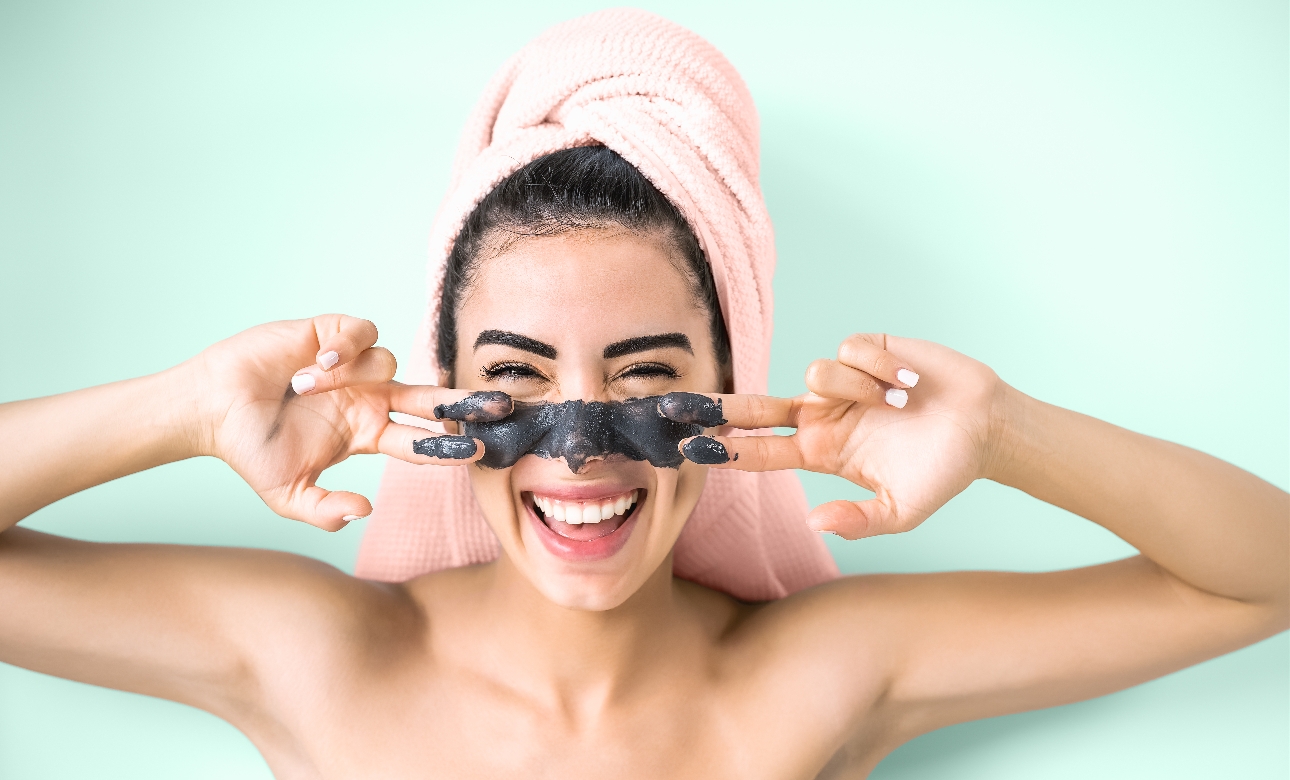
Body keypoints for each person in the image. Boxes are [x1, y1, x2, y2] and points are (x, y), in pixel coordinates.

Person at [1, 10, 1285, 779]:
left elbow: (1264, 578)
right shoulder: (318, 660)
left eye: (649, 381)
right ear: (440, 403)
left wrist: (1006, 434)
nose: (577, 452)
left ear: (734, 400)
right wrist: (184, 409)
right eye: (513, 380)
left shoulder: (815, 679)